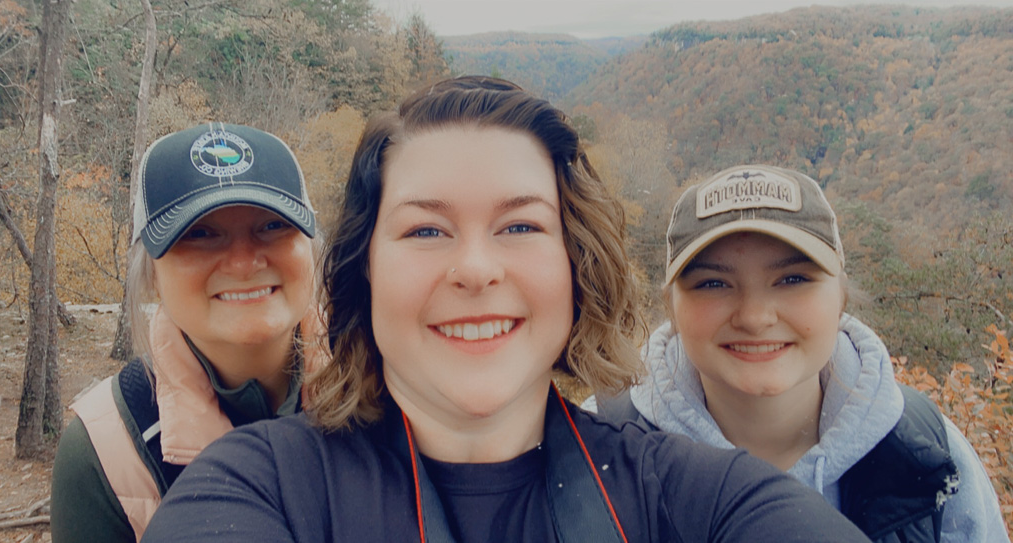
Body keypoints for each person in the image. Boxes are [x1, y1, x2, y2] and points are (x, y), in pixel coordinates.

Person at [141, 78, 871, 542]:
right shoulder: (259, 487)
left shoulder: (701, 498)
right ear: (364, 271)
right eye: (426, 229)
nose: (476, 269)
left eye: (520, 226)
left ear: (576, 265)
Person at [588, 164, 1009, 542]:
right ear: (671, 308)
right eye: (713, 283)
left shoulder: (926, 455)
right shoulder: (595, 448)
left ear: (840, 296)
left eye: (792, 278)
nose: (754, 317)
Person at [50, 122, 327, 542]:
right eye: (200, 233)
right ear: (152, 275)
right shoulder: (106, 450)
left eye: (272, 225)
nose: (243, 262)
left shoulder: (391, 387)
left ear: (311, 248)